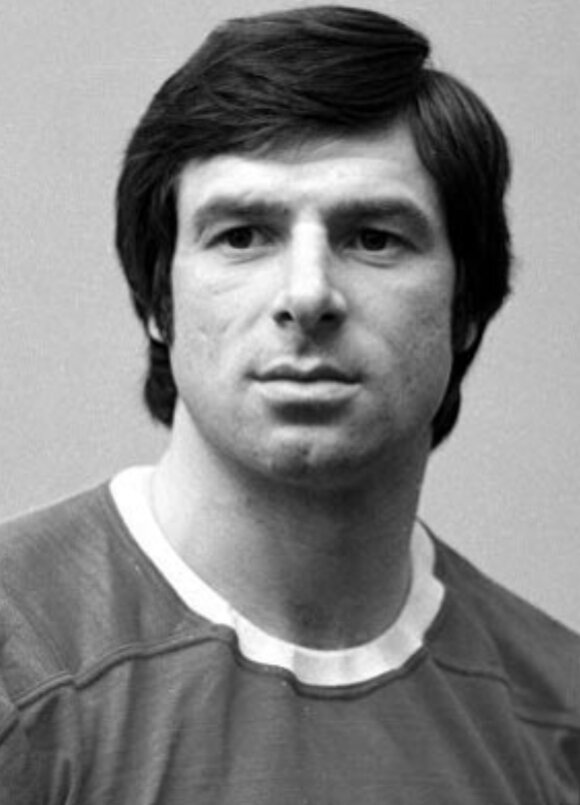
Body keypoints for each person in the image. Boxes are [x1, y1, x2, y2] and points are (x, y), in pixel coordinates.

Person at [0, 5, 578, 802]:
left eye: (374, 237)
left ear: (466, 306)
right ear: (158, 302)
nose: (308, 294)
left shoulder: (560, 719)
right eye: (242, 234)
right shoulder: (19, 670)